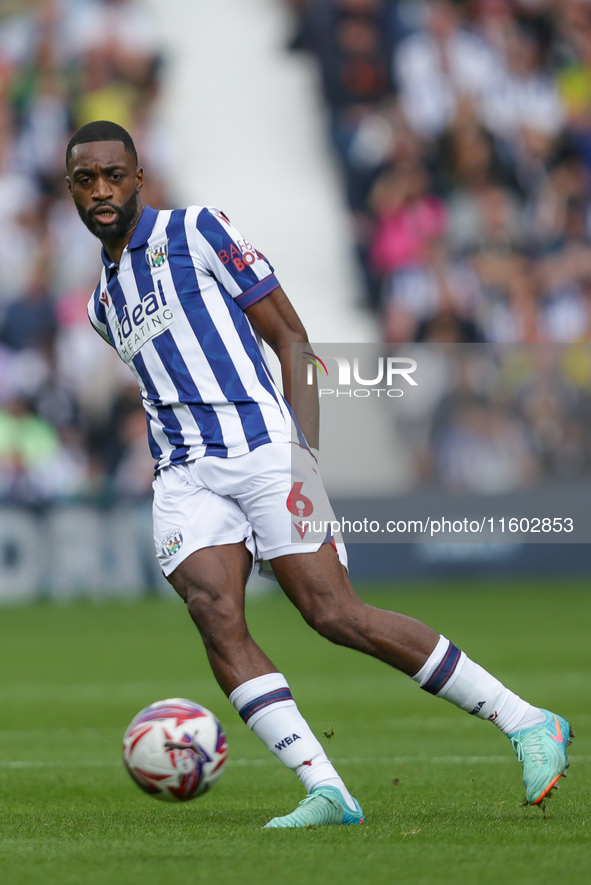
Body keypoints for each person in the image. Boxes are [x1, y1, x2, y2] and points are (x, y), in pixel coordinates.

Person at [66, 120, 572, 827]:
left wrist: (304, 452)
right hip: (183, 474)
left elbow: (292, 339)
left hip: (265, 448)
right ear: (71, 190)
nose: (102, 190)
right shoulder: (100, 304)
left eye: (113, 175)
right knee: (216, 616)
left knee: (333, 613)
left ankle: (525, 719)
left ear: (139, 176)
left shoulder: (198, 230)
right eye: (86, 180)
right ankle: (325, 788)